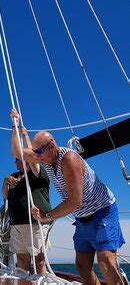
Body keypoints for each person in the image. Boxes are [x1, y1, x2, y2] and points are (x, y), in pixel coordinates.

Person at [10, 109, 126, 285]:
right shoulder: (45, 158)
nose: (37, 157)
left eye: (40, 152)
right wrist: (14, 124)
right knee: (82, 266)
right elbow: (17, 153)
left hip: (102, 212)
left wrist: (46, 216)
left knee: (106, 263)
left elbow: (74, 201)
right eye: (36, 152)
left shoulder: (69, 159)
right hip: (82, 218)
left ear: (52, 146)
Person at [2, 110, 52, 275]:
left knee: (39, 261)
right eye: (18, 159)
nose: (19, 160)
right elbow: (4, 197)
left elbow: (31, 156)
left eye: (21, 158)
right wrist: (5, 182)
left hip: (36, 223)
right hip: (17, 223)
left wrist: (23, 134)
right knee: (22, 261)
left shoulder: (37, 172)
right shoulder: (14, 176)